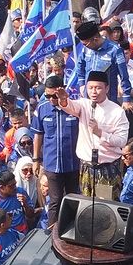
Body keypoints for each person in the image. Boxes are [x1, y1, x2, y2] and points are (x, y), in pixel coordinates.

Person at [55, 71, 130, 198]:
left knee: (104, 207)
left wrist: (100, 132)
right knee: (87, 207)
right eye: (90, 88)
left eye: (98, 88)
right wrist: (63, 99)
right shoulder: (84, 104)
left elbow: (121, 141)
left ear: (106, 88)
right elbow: (69, 106)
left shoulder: (117, 111)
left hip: (107, 168)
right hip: (86, 167)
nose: (94, 92)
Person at [31, 74, 80, 224]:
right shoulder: (42, 108)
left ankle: (72, 231)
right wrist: (35, 160)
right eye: (47, 95)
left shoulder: (75, 107)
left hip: (73, 163)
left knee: (73, 198)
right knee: (55, 200)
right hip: (52, 163)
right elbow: (38, 135)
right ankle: (52, 235)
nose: (51, 99)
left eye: (54, 96)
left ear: (62, 91)